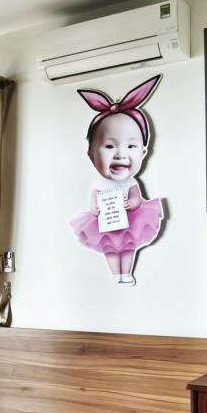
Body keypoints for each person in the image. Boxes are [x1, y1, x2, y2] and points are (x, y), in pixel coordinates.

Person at [70, 75, 165, 285]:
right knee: (110, 249)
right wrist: (94, 208)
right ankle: (116, 274)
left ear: (143, 152)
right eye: (109, 146)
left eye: (131, 146)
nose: (120, 154)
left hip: (130, 222)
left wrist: (133, 203)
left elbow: (137, 198)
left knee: (129, 247)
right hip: (106, 224)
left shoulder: (131, 182)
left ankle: (127, 273)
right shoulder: (99, 183)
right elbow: (93, 199)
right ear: (91, 155)